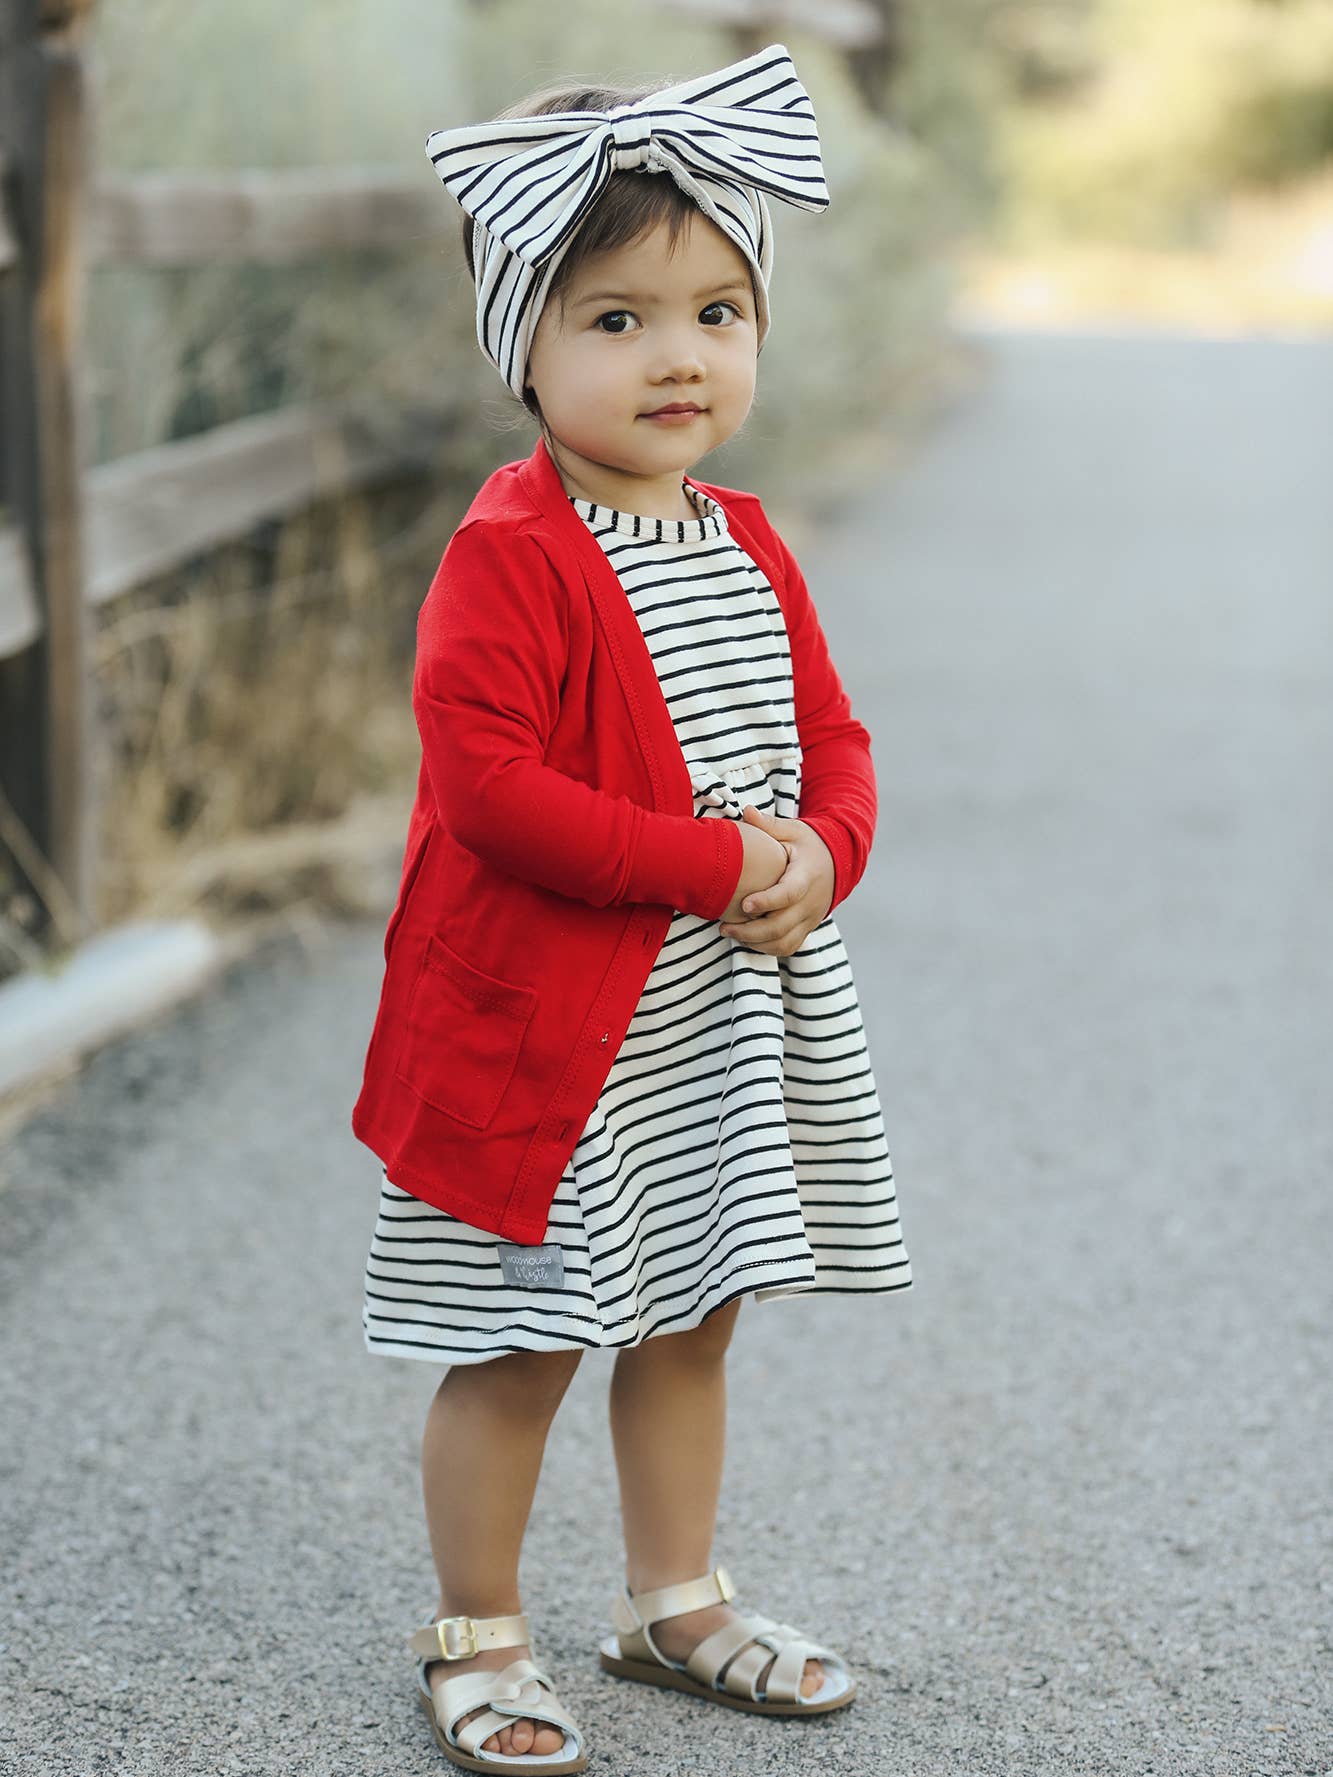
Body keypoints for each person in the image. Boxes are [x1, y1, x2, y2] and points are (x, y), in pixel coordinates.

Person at [349, 41, 914, 1773]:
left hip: (710, 1028)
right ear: (516, 338)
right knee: (518, 1338)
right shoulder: (510, 555)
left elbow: (832, 738)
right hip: (545, 1040)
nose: (677, 353)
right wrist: (715, 862)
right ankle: (479, 1632)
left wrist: (823, 849)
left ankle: (673, 1597)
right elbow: (494, 795)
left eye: (716, 311)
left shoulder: (744, 537)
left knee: (692, 1310)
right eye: (613, 318)